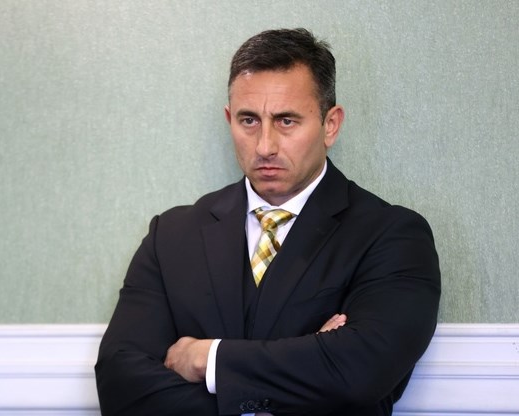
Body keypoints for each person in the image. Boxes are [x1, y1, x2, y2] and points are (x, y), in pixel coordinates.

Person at [95, 28, 441, 416]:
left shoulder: (392, 236)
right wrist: (306, 369)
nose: (264, 146)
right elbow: (120, 384)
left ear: (330, 125)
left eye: (286, 121)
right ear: (229, 119)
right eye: (248, 120)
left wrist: (208, 359)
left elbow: (359, 373)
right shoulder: (171, 237)